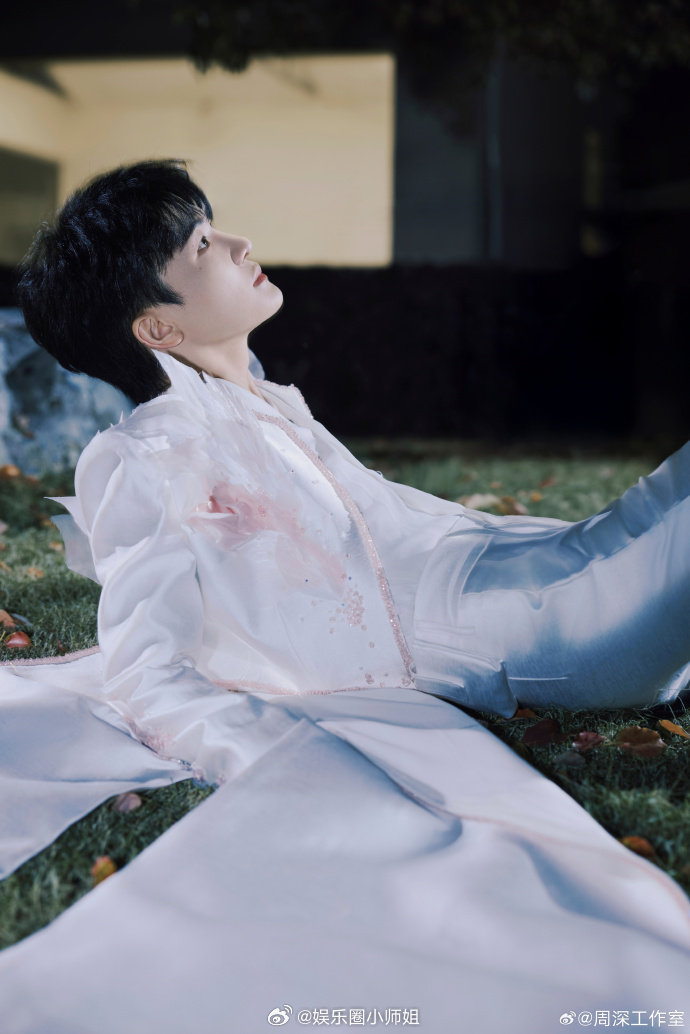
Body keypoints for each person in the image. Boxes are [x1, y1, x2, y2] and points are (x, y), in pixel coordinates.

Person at [0, 159, 689, 1033]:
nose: (240, 244)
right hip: (520, 626)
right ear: (157, 327)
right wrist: (256, 750)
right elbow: (145, 664)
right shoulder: (146, 455)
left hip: (519, 563)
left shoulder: (265, 402)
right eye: (204, 244)